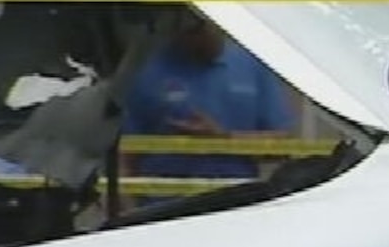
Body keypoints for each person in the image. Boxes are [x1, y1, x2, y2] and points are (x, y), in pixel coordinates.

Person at [121, 13, 297, 182]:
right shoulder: (147, 69)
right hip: (166, 205)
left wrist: (223, 139)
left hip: (234, 203)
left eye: (199, 28)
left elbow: (283, 145)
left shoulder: (252, 64)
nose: (195, 39)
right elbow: (125, 155)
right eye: (186, 30)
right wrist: (126, 207)